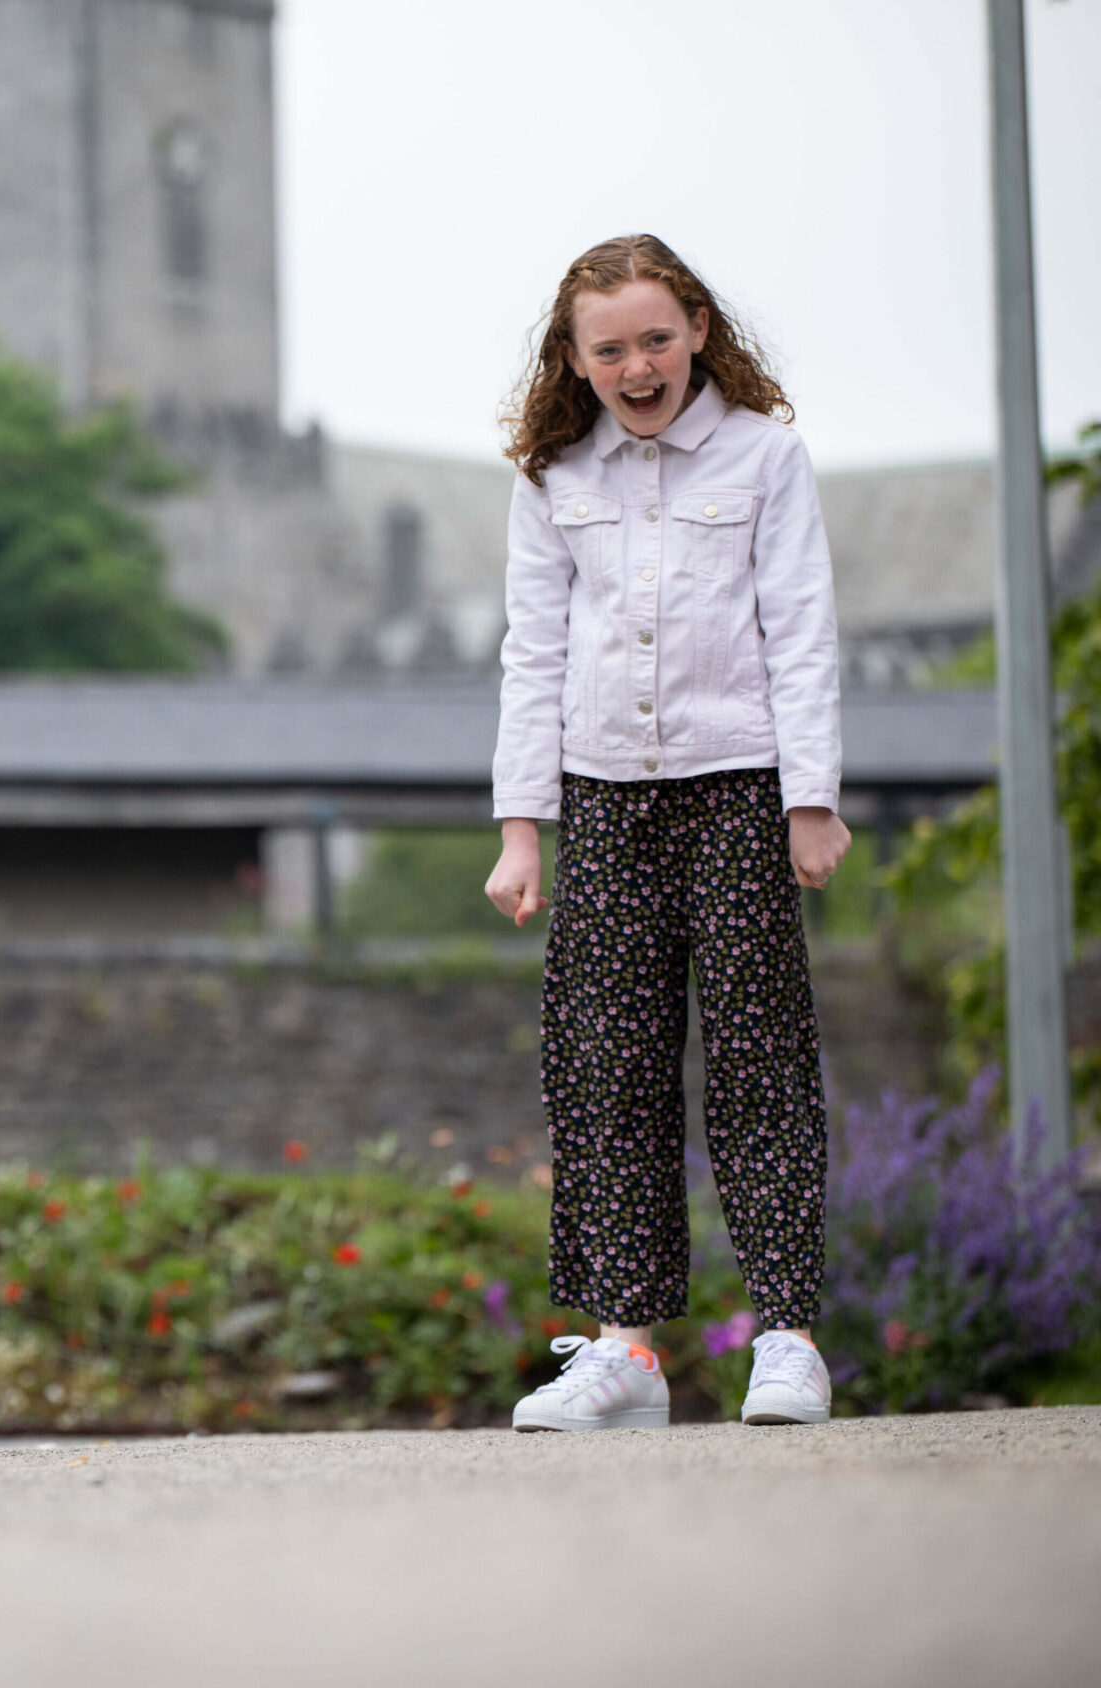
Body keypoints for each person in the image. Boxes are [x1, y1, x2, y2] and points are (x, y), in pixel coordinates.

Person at [485, 235, 847, 1431]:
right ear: (574, 360)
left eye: (654, 337)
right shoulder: (551, 477)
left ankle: (786, 1334)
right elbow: (531, 655)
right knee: (605, 1071)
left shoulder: (763, 456)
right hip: (602, 798)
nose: (636, 365)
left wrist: (811, 796)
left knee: (757, 1063)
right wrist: (520, 829)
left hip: (738, 787)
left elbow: (800, 630)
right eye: (609, 348)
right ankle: (623, 1350)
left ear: (693, 326)